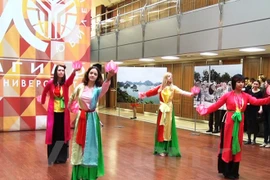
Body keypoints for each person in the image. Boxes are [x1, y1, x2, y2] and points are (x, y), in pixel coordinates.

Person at [196, 74, 270, 179]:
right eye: (239, 81)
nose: (241, 83)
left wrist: (268, 99)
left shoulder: (246, 95)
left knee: (237, 144)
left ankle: (234, 170)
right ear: (234, 83)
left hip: (239, 123)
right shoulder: (227, 95)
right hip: (229, 122)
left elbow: (257, 101)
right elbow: (216, 105)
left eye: (242, 81)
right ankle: (226, 170)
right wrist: (204, 110)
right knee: (228, 144)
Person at [68, 66, 115, 180]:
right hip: (81, 118)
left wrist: (108, 77)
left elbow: (105, 87)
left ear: (98, 77)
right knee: (79, 145)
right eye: (91, 73)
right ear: (87, 74)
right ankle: (79, 174)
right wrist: (70, 108)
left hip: (92, 120)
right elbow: (72, 97)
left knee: (91, 146)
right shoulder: (80, 87)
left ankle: (89, 175)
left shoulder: (97, 90)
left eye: (95, 74)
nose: (92, 75)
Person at [139, 72, 195, 157]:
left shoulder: (173, 88)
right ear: (165, 78)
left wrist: (191, 94)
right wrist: (144, 94)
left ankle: (168, 149)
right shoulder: (160, 87)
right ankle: (160, 149)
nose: (170, 78)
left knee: (169, 129)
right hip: (162, 110)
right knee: (161, 127)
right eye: (168, 77)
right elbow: (151, 92)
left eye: (171, 77)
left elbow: (182, 92)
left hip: (169, 110)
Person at [41, 64, 80, 165]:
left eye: (62, 70)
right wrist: (43, 100)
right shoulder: (50, 83)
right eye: (59, 70)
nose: (61, 72)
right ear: (56, 72)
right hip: (53, 113)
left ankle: (61, 157)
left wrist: (74, 72)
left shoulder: (65, 84)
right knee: (53, 135)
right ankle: (53, 157)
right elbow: (44, 91)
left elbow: (71, 80)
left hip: (63, 113)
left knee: (61, 135)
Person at [245, 80, 263, 145]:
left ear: (259, 85)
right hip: (249, 109)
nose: (255, 85)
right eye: (254, 84)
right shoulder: (249, 91)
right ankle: (249, 139)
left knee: (255, 125)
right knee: (248, 124)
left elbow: (261, 101)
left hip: (256, 109)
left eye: (257, 84)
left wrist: (261, 108)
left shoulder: (260, 92)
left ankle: (254, 140)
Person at [260, 79, 270, 148]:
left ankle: (269, 142)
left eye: (265, 83)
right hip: (265, 108)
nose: (264, 84)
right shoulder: (263, 90)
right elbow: (262, 99)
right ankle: (265, 141)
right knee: (265, 124)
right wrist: (261, 108)